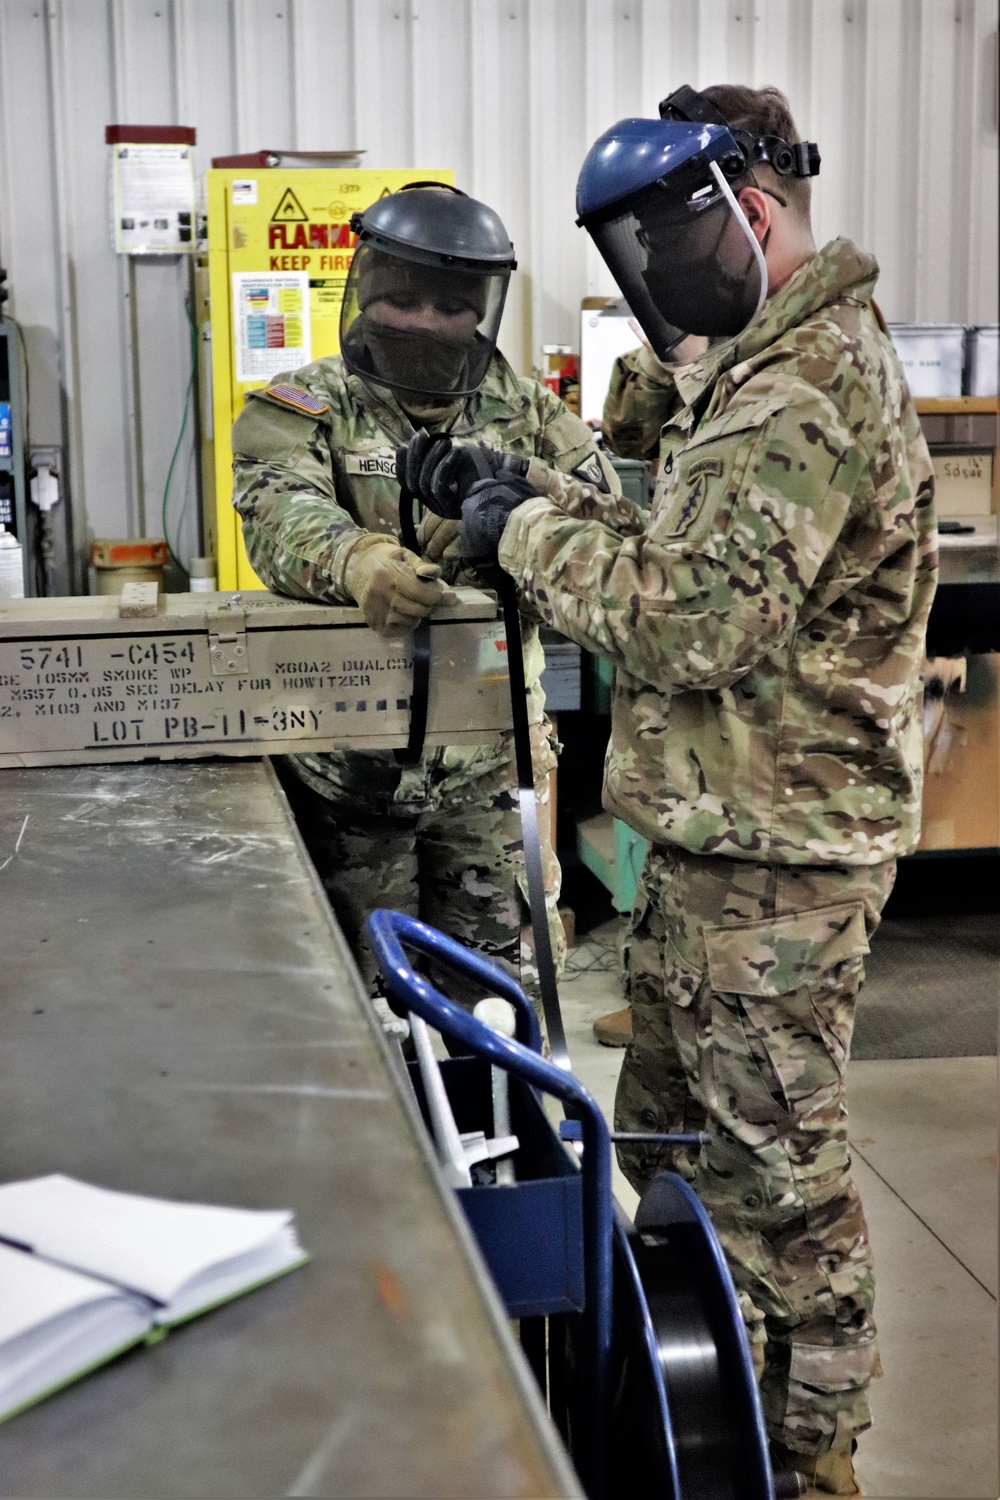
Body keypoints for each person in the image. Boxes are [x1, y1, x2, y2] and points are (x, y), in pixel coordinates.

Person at [400, 88, 936, 1497]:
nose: (650, 286)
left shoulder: (806, 381)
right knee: (687, 1162)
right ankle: (707, 1429)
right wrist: (532, 489)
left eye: (659, 244)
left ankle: (810, 1466)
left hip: (779, 867)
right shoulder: (758, 373)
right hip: (716, 857)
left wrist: (518, 532)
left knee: (783, 1196)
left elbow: (693, 620)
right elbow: (685, 545)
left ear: (748, 216)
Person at [231, 183, 618, 1010]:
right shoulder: (304, 406)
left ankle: (499, 1138)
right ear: (365, 290)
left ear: (480, 309)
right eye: (402, 298)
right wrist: (354, 557)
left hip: (487, 772)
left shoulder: (534, 420)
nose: (424, 321)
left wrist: (515, 530)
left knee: (489, 1002)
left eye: (449, 304)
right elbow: (275, 507)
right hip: (348, 774)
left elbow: (610, 546)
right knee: (363, 1011)